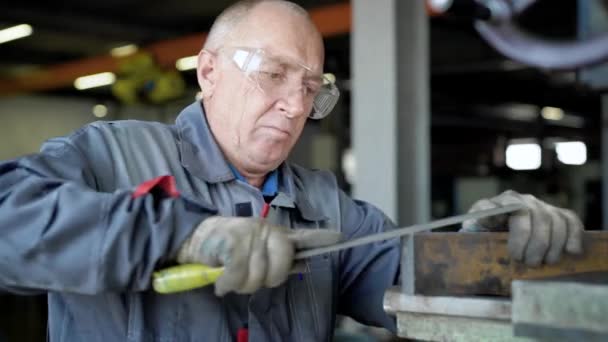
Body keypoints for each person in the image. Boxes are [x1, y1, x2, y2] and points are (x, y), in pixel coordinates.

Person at [0, 0, 584, 341]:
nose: (296, 104)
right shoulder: (111, 156)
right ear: (207, 71)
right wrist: (180, 235)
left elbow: (410, 278)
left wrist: (476, 252)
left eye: (311, 87)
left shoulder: (327, 206)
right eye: (273, 74)